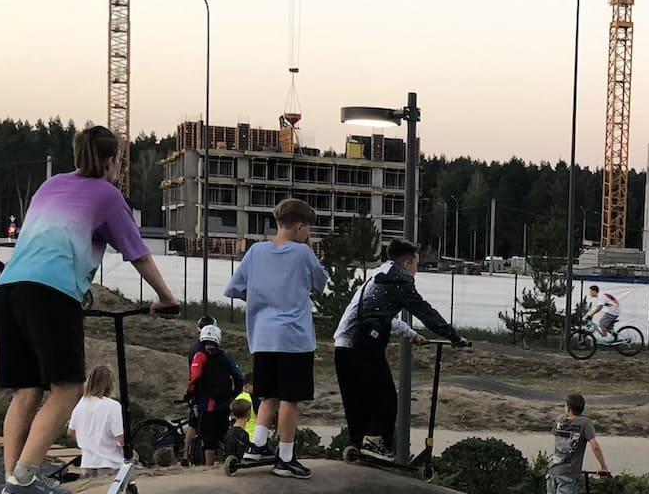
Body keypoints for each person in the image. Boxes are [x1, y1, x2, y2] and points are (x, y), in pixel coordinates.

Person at [0, 125, 179, 494]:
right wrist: (166, 297)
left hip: (9, 287)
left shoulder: (51, 186)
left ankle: (12, 482)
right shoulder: (107, 195)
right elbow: (138, 253)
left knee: (27, 390)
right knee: (68, 388)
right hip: (51, 290)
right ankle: (26, 477)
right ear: (113, 161)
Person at [224, 198, 329, 479]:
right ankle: (285, 457)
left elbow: (234, 288)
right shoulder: (302, 253)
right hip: (293, 338)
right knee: (290, 399)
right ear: (299, 226)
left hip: (262, 336)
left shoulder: (256, 252)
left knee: (268, 393)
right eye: (308, 230)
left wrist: (260, 297)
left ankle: (257, 445)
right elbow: (320, 283)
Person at [332, 238, 464, 456]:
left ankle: (355, 443)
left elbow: (380, 316)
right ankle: (375, 442)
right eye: (417, 265)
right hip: (361, 345)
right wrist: (453, 335)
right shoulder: (400, 281)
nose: (416, 271)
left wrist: (411, 335)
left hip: (343, 346)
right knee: (385, 397)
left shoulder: (377, 277)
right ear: (406, 264)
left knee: (356, 398)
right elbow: (424, 311)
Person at [188, 323, 244, 464]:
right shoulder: (226, 357)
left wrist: (190, 394)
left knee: (208, 438)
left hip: (207, 404)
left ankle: (209, 468)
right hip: (224, 402)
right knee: (222, 434)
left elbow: (195, 377)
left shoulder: (200, 356)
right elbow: (238, 376)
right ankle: (222, 463)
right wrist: (234, 394)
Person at [548, 392, 609, 494]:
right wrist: (603, 466)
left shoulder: (559, 420)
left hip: (553, 470)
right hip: (569, 473)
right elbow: (595, 445)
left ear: (569, 408)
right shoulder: (585, 423)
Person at [68, 365, 127, 477]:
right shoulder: (113, 406)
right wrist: (130, 452)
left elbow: (71, 431)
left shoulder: (81, 404)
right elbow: (120, 436)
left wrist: (87, 443)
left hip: (87, 462)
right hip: (110, 462)